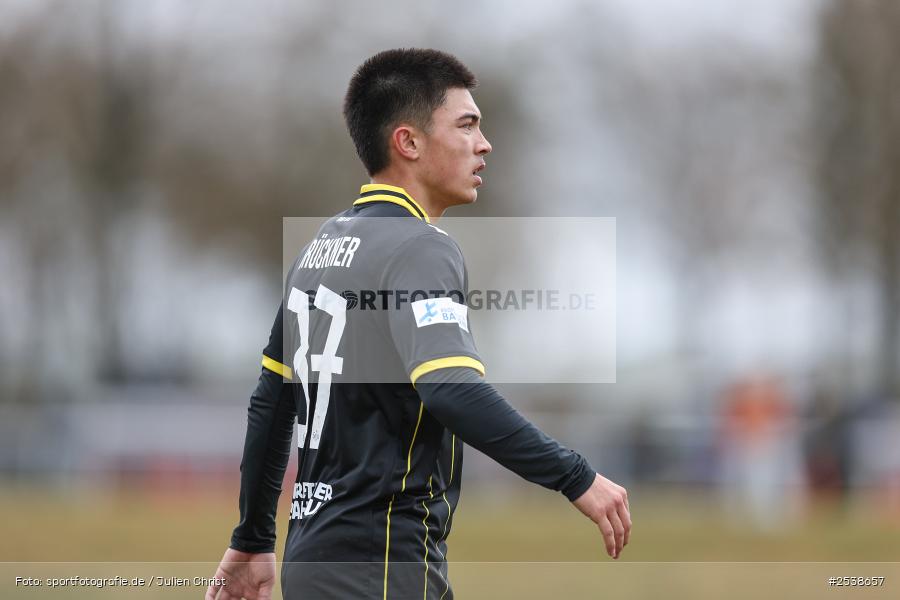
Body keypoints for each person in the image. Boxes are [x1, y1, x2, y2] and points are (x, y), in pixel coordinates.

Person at [207, 48, 631, 600]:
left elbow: (271, 401)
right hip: (383, 565)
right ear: (408, 142)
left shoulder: (317, 249)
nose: (484, 144)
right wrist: (574, 475)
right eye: (466, 125)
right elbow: (450, 388)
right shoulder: (420, 247)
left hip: (311, 560)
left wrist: (253, 536)